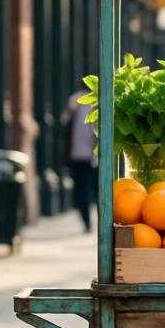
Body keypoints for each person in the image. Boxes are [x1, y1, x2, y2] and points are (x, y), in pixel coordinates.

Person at [66, 89, 97, 232]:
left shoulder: (93, 108)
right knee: (82, 192)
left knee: (89, 192)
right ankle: (87, 222)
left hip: (89, 158)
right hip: (79, 158)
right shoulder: (74, 107)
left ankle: (91, 222)